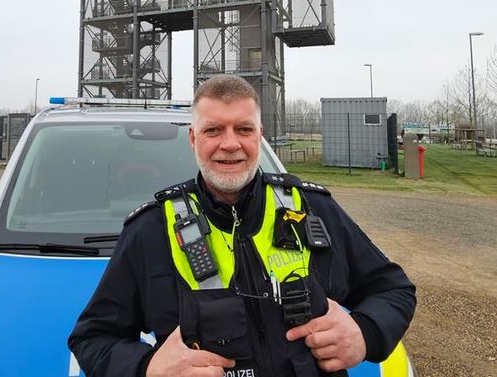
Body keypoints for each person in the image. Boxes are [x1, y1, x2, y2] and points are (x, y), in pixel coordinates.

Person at [69, 75, 416, 377]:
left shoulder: (312, 209)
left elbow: (393, 289)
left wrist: (364, 333)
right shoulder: (151, 230)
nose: (230, 143)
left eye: (244, 129)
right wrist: (148, 367)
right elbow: (92, 338)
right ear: (193, 138)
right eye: (213, 130)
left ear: (259, 136)